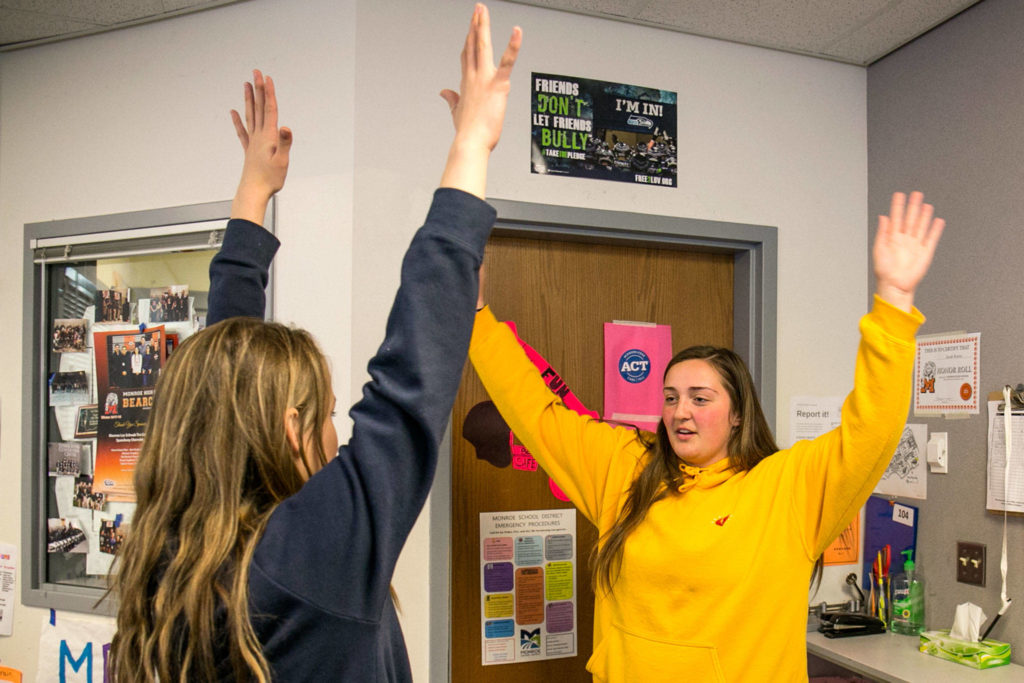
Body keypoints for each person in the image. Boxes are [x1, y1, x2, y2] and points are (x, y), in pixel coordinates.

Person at [108, 5, 521, 681]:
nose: (339, 432)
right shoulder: (311, 554)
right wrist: (471, 146)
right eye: (329, 412)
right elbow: (408, 386)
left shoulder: (175, 555)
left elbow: (226, 374)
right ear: (289, 425)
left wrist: (253, 197)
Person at [469, 191, 944, 681]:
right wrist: (477, 316)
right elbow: (536, 415)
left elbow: (872, 430)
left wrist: (894, 303)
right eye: (670, 397)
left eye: (700, 398)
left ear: (738, 414)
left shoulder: (786, 488)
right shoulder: (623, 467)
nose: (680, 412)